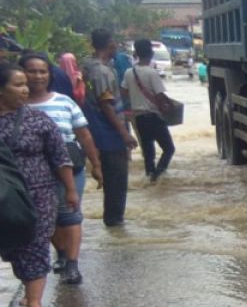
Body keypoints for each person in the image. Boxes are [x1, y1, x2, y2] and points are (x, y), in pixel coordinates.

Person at [0, 61, 76, 307]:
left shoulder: (38, 120)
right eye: (18, 84)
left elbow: (60, 157)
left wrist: (70, 190)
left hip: (37, 195)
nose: (25, 89)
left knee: (35, 244)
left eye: (25, 85)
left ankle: (34, 303)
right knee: (12, 246)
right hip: (3, 197)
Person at [20, 52, 103, 285]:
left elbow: (84, 135)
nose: (38, 76)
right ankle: (64, 254)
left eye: (43, 71)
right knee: (45, 219)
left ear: (50, 74)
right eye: (32, 71)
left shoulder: (65, 102)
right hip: (32, 173)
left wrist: (95, 164)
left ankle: (72, 265)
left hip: (69, 168)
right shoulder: (13, 107)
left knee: (70, 215)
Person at [81, 28, 137, 226]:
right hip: (108, 134)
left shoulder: (89, 66)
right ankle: (115, 223)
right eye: (115, 43)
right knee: (117, 182)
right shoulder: (101, 71)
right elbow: (106, 105)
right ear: (110, 44)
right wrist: (124, 134)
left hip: (102, 130)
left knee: (114, 183)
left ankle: (114, 223)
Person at [122, 39, 176, 182]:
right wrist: (171, 105)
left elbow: (124, 92)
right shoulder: (152, 73)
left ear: (136, 54)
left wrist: (136, 98)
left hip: (138, 118)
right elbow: (160, 95)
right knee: (169, 148)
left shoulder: (129, 72)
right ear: (151, 54)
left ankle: (149, 177)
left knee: (148, 152)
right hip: (153, 117)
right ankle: (158, 175)